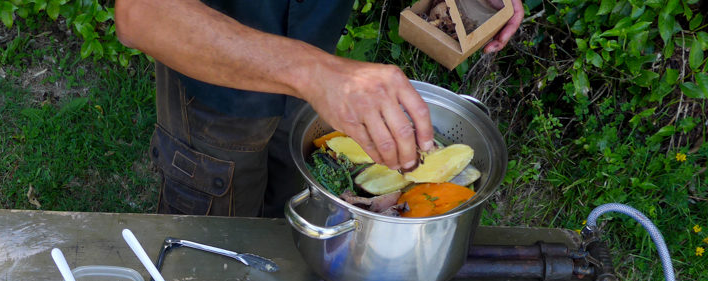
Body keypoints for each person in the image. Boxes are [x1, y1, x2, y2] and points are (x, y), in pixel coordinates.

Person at [116, 0, 524, 217]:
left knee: (293, 215)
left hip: (316, 55)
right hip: (212, 83)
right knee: (213, 243)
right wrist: (317, 74)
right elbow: (141, 14)